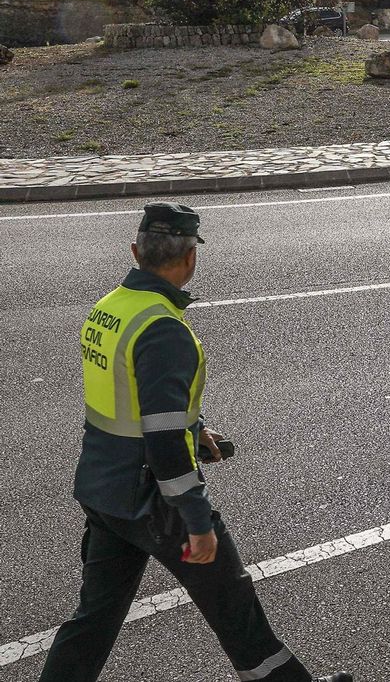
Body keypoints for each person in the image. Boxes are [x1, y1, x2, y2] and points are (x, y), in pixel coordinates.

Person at [41, 203, 351, 682]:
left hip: (104, 492)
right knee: (235, 608)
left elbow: (132, 396)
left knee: (93, 622)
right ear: (190, 259)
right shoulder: (164, 328)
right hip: (157, 505)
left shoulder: (109, 308)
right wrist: (196, 520)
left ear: (135, 251)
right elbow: (163, 440)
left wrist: (195, 426)